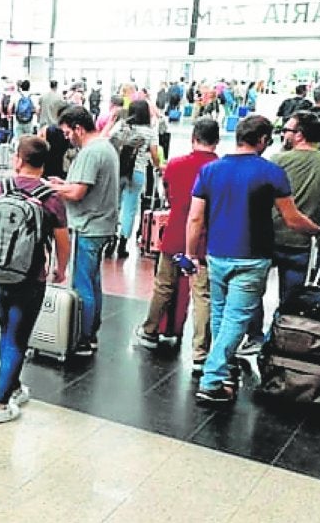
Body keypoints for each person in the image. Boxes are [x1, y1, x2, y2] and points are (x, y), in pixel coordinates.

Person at [187, 115, 320, 407]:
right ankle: (212, 380)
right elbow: (292, 219)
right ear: (262, 140)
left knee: (221, 315)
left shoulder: (210, 170)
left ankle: (225, 369)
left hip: (216, 255)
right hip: (252, 257)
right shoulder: (270, 172)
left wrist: (192, 253)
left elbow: (195, 218)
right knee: (236, 319)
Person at [0, 137, 69, 423]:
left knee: (6, 332)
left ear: (18, 160)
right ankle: (0, 404)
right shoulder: (50, 197)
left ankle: (13, 386)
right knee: (17, 338)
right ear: (43, 163)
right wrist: (60, 269)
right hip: (29, 278)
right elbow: (63, 242)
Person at [135, 116, 218, 372]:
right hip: (206, 240)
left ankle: (149, 331)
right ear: (216, 141)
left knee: (163, 286)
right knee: (202, 295)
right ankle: (200, 352)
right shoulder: (220, 168)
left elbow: (168, 193)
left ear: (194, 137)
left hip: (174, 235)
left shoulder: (175, 165)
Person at [47, 106, 119, 359]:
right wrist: (63, 184)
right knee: (92, 281)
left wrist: (51, 188)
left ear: (78, 128)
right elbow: (81, 185)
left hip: (88, 225)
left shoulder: (90, 153)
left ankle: (83, 337)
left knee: (82, 285)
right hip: (101, 224)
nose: (66, 137)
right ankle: (91, 332)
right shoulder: (105, 147)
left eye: (68, 132)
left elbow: (78, 193)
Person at [270, 111, 320, 308]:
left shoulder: (276, 161)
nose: (284, 134)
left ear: (299, 135)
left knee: (250, 296)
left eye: (287, 130)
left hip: (270, 239)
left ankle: (256, 335)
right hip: (304, 242)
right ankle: (284, 332)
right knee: (292, 300)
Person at [108, 99, 164, 259]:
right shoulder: (150, 132)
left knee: (114, 206)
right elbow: (154, 154)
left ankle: (110, 238)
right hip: (137, 172)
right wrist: (158, 166)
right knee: (130, 208)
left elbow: (109, 142)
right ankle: (123, 244)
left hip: (117, 171)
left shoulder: (121, 126)